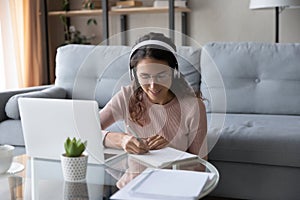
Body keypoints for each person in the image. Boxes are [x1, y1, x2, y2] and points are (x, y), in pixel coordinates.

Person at [100, 32, 207, 158]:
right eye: (144, 76)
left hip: (175, 176)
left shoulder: (193, 107)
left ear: (174, 72)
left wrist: (170, 150)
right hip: (135, 176)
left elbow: (200, 166)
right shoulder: (126, 96)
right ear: (134, 75)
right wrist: (121, 140)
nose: (153, 86)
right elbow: (82, 131)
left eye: (161, 76)